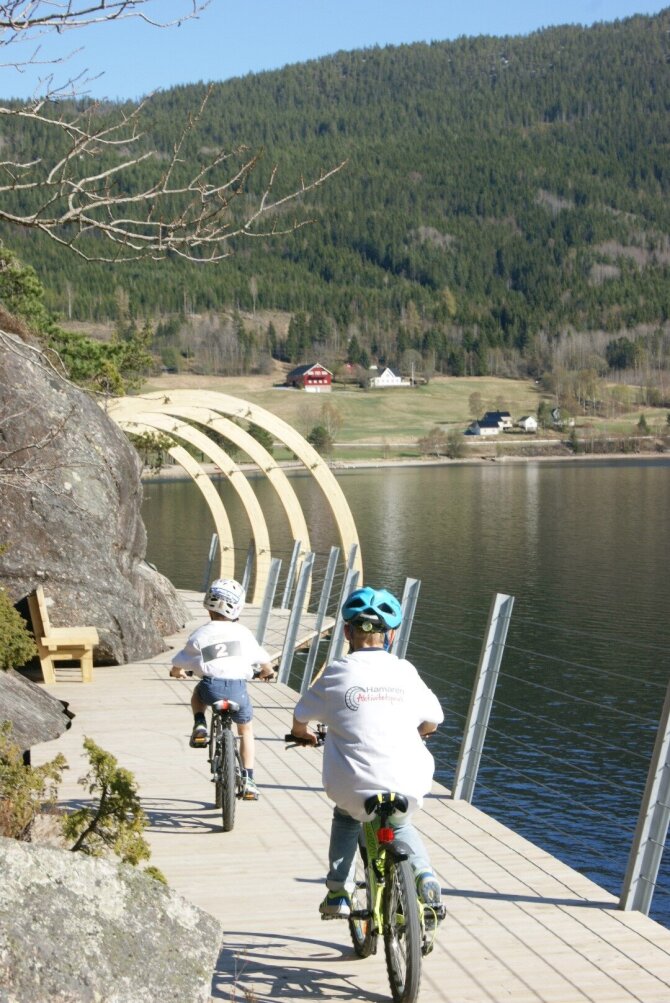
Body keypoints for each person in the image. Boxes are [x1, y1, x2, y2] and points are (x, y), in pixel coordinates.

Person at [291, 585, 445, 921]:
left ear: (347, 632)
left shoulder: (337, 672)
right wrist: (416, 732)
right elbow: (433, 720)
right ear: (389, 636)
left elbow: (301, 716)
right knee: (401, 825)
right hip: (408, 780)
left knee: (346, 816)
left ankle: (338, 893)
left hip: (354, 785)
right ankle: (425, 878)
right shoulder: (405, 670)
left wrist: (301, 735)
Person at [170, 577, 276, 801]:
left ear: (208, 606)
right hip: (238, 689)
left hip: (211, 688)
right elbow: (264, 662)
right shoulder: (243, 633)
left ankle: (200, 723)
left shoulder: (201, 633)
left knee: (198, 695)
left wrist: (177, 672)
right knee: (245, 730)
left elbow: (180, 661)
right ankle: (248, 778)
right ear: (237, 608)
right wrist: (267, 672)